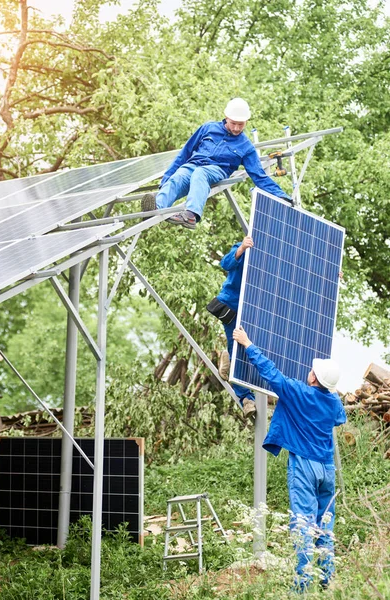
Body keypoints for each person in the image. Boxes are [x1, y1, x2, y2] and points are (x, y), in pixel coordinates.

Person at [233, 325, 346, 591]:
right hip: (326, 469)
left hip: (304, 467)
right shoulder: (334, 404)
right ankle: (327, 580)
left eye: (313, 371)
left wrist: (247, 343)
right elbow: (341, 417)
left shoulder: (299, 392)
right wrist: (331, 392)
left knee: (304, 524)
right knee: (324, 526)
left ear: (314, 378)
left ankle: (302, 586)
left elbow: (271, 374)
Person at [141, 98, 291, 230]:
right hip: (193, 165)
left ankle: (191, 215)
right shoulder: (208, 128)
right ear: (226, 117)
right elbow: (184, 154)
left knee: (201, 174)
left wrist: (281, 196)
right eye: (233, 123)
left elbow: (259, 176)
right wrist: (165, 180)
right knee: (179, 175)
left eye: (241, 124)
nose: (237, 128)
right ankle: (157, 208)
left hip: (216, 170)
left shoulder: (246, 146)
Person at [211, 236, 256, 418]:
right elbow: (226, 263)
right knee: (238, 345)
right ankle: (247, 399)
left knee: (252, 349)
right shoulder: (245, 244)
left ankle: (228, 361)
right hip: (233, 306)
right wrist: (242, 249)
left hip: (254, 310)